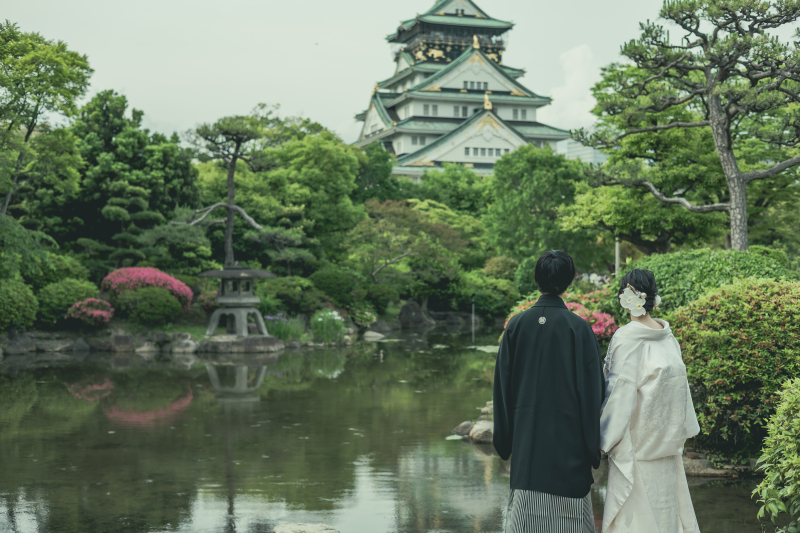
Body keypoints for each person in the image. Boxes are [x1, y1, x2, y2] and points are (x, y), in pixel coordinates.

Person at [494, 250, 604, 533]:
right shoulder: (579, 329)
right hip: (569, 451)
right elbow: (593, 394)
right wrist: (593, 448)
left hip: (526, 449)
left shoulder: (516, 325)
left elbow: (502, 388)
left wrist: (505, 441)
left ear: (537, 279)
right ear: (569, 281)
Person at [599, 269, 701, 533]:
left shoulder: (626, 337)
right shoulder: (668, 337)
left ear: (625, 298)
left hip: (637, 450)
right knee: (667, 515)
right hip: (666, 446)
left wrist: (602, 439)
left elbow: (618, 395)